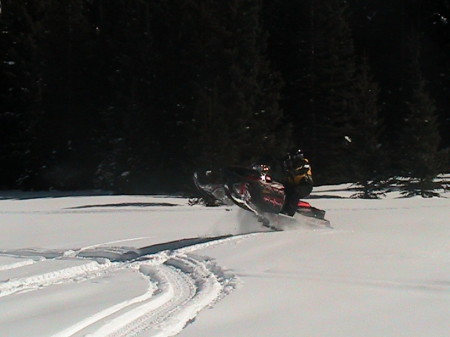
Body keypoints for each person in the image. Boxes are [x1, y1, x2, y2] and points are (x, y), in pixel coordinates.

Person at [253, 148, 313, 216]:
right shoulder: (287, 163)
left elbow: (302, 169)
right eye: (295, 156)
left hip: (304, 185)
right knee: (276, 189)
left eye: (299, 156)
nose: (297, 157)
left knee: (294, 193)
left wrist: (292, 172)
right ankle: (269, 206)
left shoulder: (304, 162)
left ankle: (288, 213)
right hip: (292, 184)